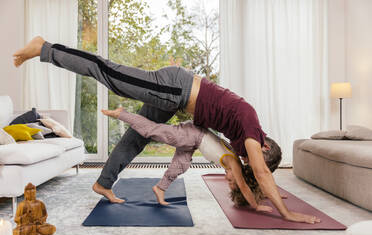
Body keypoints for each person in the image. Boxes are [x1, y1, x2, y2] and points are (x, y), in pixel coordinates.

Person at [13, 36, 320, 224]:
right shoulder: (253, 130)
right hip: (176, 87)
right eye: (257, 162)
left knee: (138, 136)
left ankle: (103, 183)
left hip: (178, 98)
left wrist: (271, 197)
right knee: (109, 73)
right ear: (265, 148)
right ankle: (45, 48)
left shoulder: (245, 136)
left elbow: (261, 177)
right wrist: (287, 214)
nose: (251, 163)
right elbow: (262, 173)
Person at [101, 107, 281, 211]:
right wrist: (255, 206)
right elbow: (245, 186)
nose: (227, 179)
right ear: (239, 176)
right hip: (191, 135)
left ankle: (160, 188)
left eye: (229, 184)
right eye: (232, 182)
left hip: (193, 142)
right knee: (152, 131)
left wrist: (271, 194)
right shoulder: (234, 162)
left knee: (181, 165)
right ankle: (121, 114)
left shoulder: (232, 159)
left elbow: (251, 184)